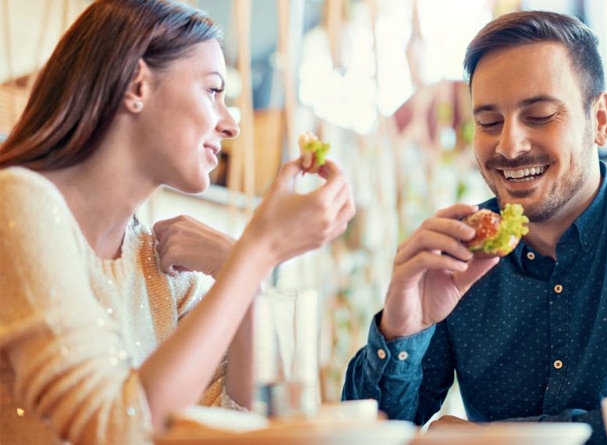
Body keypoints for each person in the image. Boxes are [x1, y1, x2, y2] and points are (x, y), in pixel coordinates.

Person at [342, 10, 607, 445]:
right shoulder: (458, 252)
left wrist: (490, 439)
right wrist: (403, 329)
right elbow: (368, 437)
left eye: (539, 115)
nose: (509, 145)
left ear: (601, 120)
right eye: (489, 122)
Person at [0, 0, 355, 444]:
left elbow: (231, 427)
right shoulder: (17, 203)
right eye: (213, 91)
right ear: (137, 86)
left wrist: (243, 275)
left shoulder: (160, 266)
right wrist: (256, 252)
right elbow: (116, 429)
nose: (232, 126)